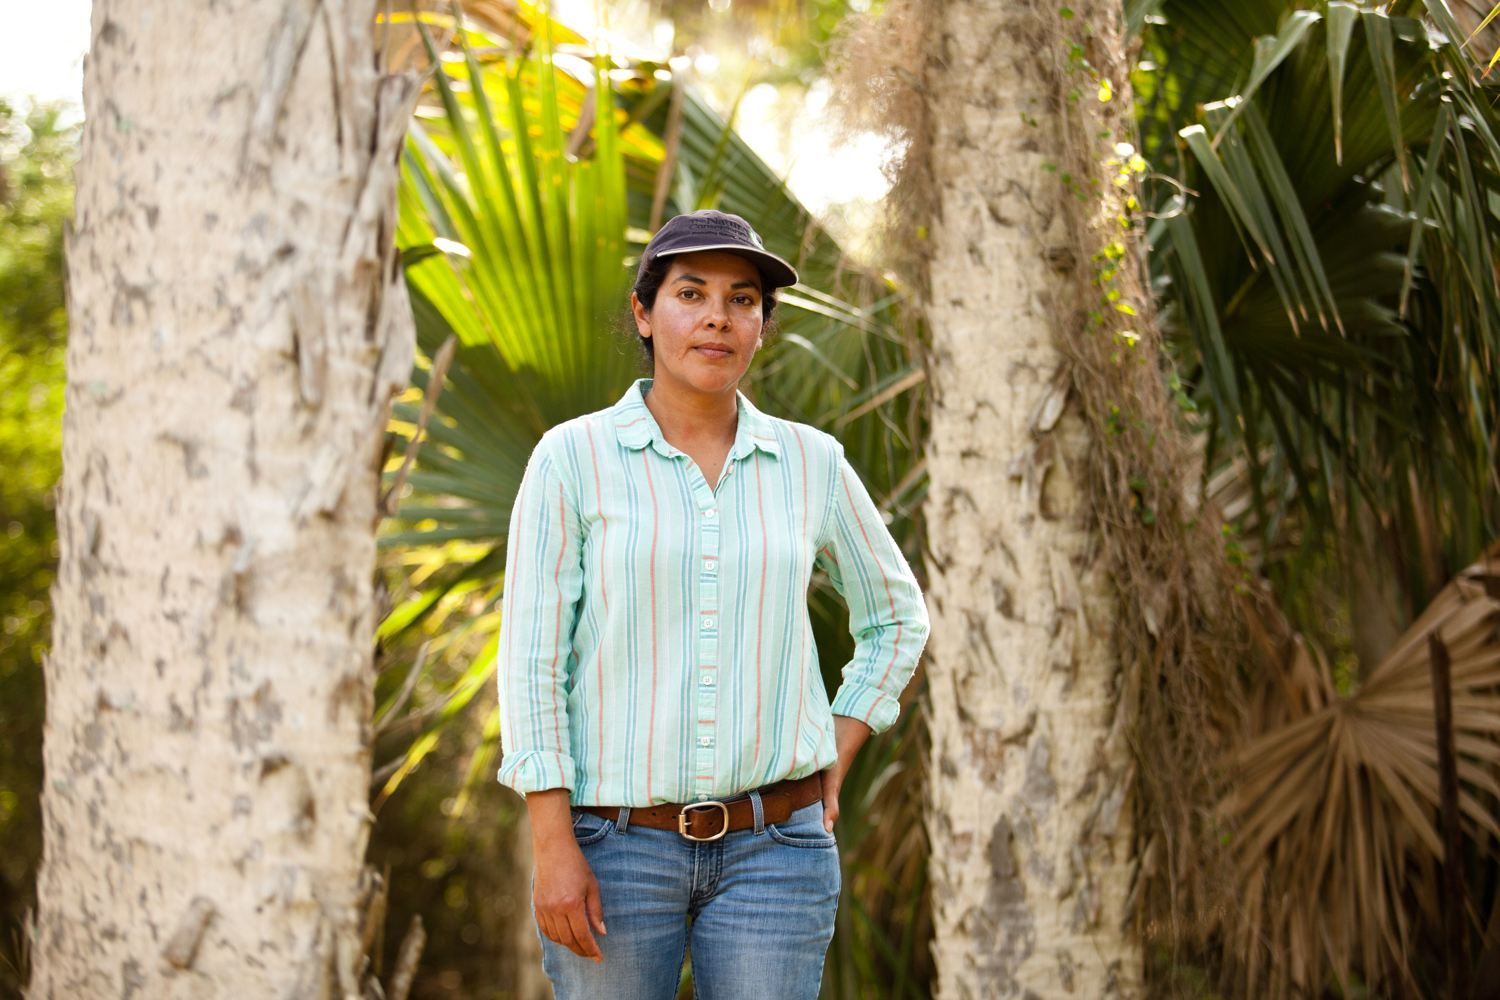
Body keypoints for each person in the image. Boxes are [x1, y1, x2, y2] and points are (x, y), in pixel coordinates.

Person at [496, 209, 929, 1000]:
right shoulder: (572, 458)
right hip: (612, 846)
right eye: (690, 293)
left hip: (779, 853)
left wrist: (839, 747)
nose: (717, 318)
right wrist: (553, 841)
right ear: (644, 311)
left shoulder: (811, 463)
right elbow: (532, 661)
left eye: (743, 299)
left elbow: (897, 617)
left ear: (763, 323)